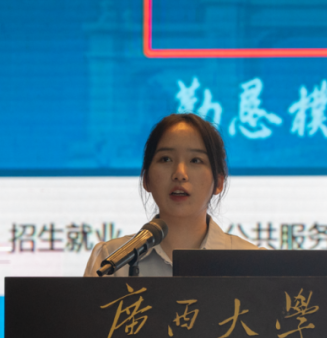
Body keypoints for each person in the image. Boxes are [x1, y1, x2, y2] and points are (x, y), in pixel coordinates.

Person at [83, 113, 258, 277]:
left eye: (196, 160)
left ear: (219, 182)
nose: (180, 174)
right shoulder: (110, 262)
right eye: (166, 159)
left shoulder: (252, 262)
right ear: (146, 179)